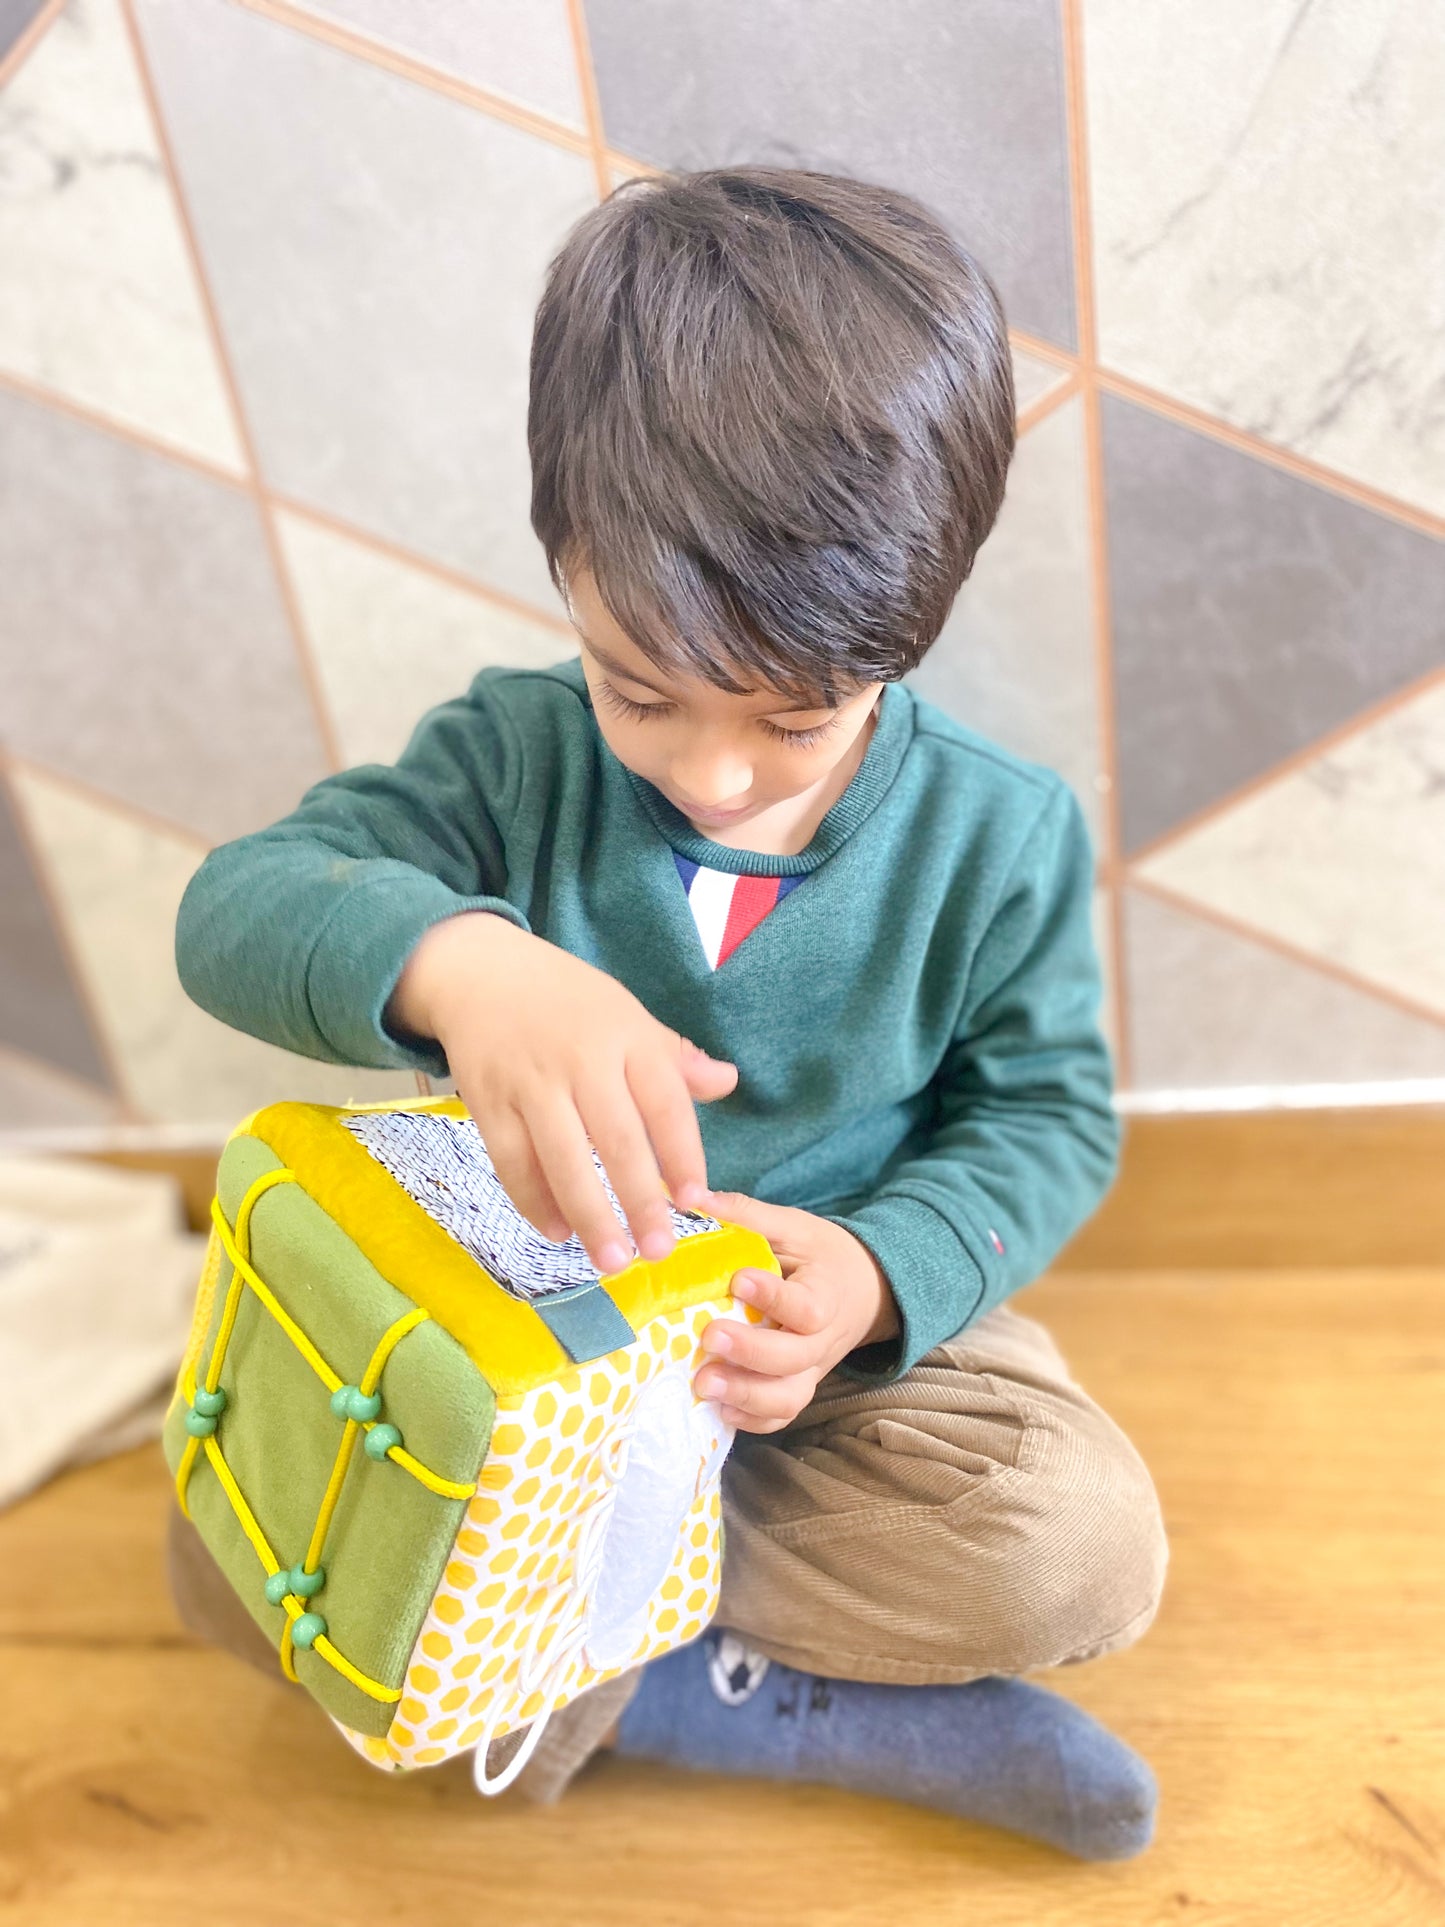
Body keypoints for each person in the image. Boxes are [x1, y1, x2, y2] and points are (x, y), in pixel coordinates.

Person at [172, 166, 1167, 1862]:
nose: (711, 774)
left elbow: (1047, 1114)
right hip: (519, 1338)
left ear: (905, 628)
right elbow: (237, 910)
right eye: (643, 692)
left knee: (1074, 1545)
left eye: (796, 719)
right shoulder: (506, 760)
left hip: (791, 1369)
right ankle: (734, 1685)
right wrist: (463, 964)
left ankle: (619, 1652)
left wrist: (874, 1279)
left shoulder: (996, 833)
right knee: (220, 1565)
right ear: (564, 559)